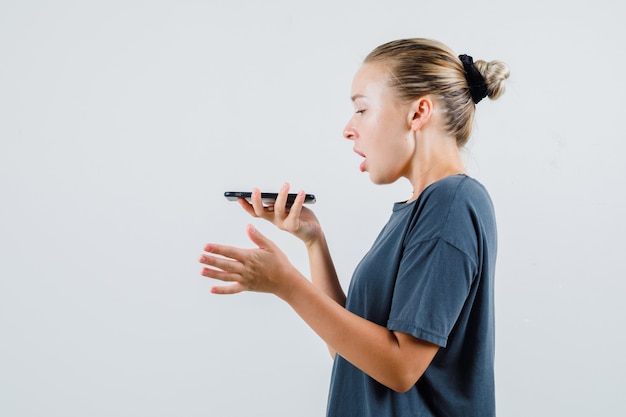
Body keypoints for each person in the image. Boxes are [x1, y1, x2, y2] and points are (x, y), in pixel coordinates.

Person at [199, 38, 510, 416]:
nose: (348, 129)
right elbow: (353, 355)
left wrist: (286, 284)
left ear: (418, 113)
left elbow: (400, 368)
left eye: (362, 109)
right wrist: (313, 242)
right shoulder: (422, 208)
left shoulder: (451, 204)